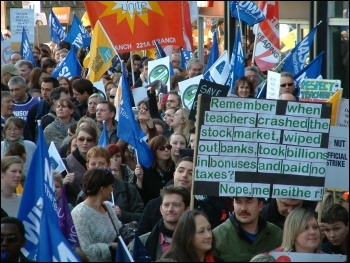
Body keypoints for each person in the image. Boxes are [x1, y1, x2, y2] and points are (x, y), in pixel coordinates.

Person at [71, 168, 122, 262]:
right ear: (102, 189)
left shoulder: (107, 207)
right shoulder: (80, 213)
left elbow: (119, 230)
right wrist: (111, 246)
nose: (112, 189)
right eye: (111, 186)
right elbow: (85, 250)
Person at [129, 185, 190, 261]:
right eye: (166, 205)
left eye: (176, 205)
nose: (170, 209)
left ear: (186, 210)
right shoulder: (140, 243)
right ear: (161, 209)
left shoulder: (195, 241)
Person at [213, 197, 282, 262]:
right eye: (238, 202)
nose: (243, 208)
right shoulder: (217, 237)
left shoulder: (277, 235)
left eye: (249, 202)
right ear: (233, 205)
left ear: (260, 205)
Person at [134, 135, 175, 205]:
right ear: (153, 150)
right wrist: (139, 180)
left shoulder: (175, 168)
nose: (166, 150)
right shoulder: (144, 169)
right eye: (162, 148)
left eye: (168, 147)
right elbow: (137, 198)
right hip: (150, 210)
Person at [64, 125, 98, 206]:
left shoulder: (100, 161)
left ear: (95, 142)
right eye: (81, 139)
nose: (85, 143)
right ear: (76, 141)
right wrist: (63, 182)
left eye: (89, 140)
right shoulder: (65, 163)